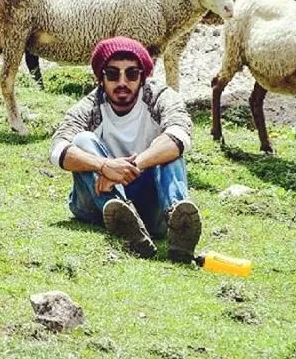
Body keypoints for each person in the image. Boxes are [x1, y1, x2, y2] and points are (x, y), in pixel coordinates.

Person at [49, 36, 202, 261]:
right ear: (100, 79)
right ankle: (123, 220)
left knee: (168, 148)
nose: (122, 82)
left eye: (131, 74)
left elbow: (180, 136)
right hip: (95, 202)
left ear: (142, 77)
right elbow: (58, 150)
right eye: (112, 74)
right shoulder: (90, 107)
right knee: (82, 141)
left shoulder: (161, 97)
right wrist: (104, 166)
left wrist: (130, 168)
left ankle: (179, 225)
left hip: (149, 203)